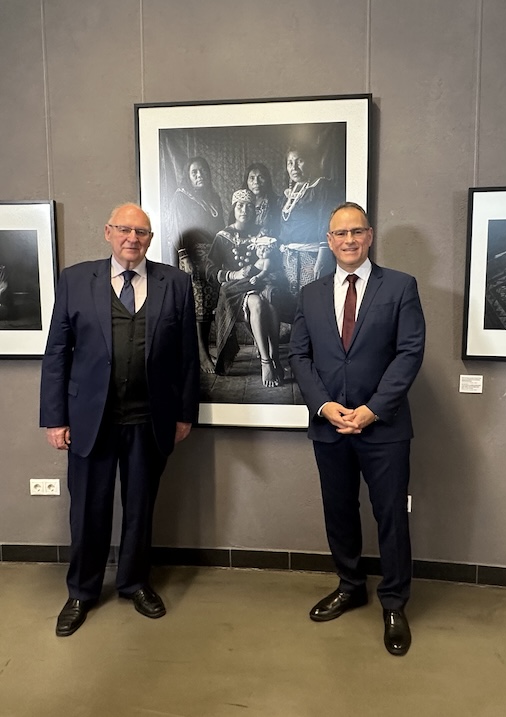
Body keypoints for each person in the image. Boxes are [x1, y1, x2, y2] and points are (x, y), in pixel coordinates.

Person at [40, 203, 199, 638]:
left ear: (150, 239)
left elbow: (187, 356)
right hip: (90, 419)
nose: (133, 238)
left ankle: (134, 583)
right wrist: (55, 418)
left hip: (149, 417)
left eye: (142, 232)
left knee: (140, 507)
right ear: (108, 232)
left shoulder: (175, 283)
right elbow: (57, 352)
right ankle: (81, 592)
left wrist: (185, 413)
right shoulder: (76, 280)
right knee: (87, 510)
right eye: (125, 230)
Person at [289, 202, 426, 657]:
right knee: (339, 511)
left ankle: (394, 602)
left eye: (356, 232)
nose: (348, 240)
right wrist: (324, 406)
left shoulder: (400, 286)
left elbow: (409, 352)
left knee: (391, 516)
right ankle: (350, 586)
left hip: (384, 428)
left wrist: (373, 409)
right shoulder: (310, 294)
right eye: (340, 233)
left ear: (369, 236)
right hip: (330, 426)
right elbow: (299, 355)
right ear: (329, 241)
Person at [207, 190, 291, 387]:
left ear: (255, 210)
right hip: (236, 290)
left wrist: (265, 264)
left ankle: (274, 355)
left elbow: (275, 263)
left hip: (260, 283)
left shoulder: (263, 234)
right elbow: (210, 268)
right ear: (233, 209)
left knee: (270, 301)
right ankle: (266, 362)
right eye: (240, 205)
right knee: (257, 303)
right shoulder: (223, 236)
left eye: (249, 206)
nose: (244, 210)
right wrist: (232, 275)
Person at [171, 156, 225, 374]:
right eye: (194, 172)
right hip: (192, 256)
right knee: (198, 305)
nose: (199, 175)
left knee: (209, 305)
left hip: (212, 257)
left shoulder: (213, 197)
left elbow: (220, 228)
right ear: (188, 176)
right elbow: (177, 228)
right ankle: (201, 355)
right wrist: (184, 257)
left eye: (203, 171)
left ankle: (204, 350)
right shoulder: (181, 197)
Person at [278, 145, 339, 282]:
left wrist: (322, 259)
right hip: (289, 258)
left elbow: (326, 223)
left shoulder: (321, 187)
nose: (294, 167)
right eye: (290, 163)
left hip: (312, 256)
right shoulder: (288, 194)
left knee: (313, 293)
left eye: (299, 161)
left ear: (310, 161)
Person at [235, 162, 281, 238]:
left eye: (261, 177)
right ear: (246, 181)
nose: (256, 182)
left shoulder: (277, 203)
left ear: (267, 180)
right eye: (252, 178)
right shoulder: (239, 204)